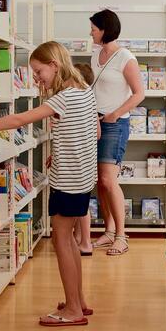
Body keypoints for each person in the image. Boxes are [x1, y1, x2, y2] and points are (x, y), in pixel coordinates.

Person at [0, 41, 97, 327]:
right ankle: (77, 300)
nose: (36, 78)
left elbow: (19, 119)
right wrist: (59, 153)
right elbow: (88, 131)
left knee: (61, 241)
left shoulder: (64, 97)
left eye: (38, 71)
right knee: (68, 241)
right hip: (81, 178)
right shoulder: (84, 90)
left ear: (54, 66)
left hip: (68, 182)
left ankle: (72, 311)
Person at [88, 10, 145, 256]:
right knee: (100, 181)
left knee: (110, 180)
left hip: (115, 124)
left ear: (104, 29)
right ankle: (109, 230)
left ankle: (122, 235)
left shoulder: (126, 58)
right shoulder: (95, 55)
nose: (90, 31)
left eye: (93, 27)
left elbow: (139, 93)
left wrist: (113, 114)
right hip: (95, 122)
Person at [72, 62, 97, 256]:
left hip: (78, 161)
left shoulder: (77, 100)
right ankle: (80, 239)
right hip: (87, 161)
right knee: (83, 204)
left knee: (81, 206)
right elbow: (97, 132)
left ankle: (85, 242)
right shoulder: (90, 99)